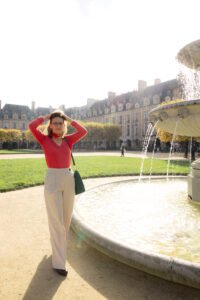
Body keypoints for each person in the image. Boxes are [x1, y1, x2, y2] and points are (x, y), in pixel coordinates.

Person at [28, 110, 88, 277]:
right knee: (56, 221)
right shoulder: (44, 139)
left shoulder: (69, 140)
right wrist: (46, 117)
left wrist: (69, 118)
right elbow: (31, 126)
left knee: (66, 221)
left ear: (64, 125)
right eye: (54, 123)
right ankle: (59, 263)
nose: (57, 125)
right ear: (50, 125)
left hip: (68, 179)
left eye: (60, 123)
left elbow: (84, 131)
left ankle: (56, 246)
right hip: (52, 179)